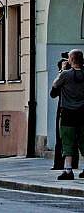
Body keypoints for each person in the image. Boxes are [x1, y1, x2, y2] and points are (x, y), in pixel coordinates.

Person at [51, 49, 84, 180]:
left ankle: (68, 170)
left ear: (70, 60)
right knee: (83, 140)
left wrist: (62, 70)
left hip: (68, 113)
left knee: (67, 141)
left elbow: (54, 90)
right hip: (83, 112)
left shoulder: (65, 74)